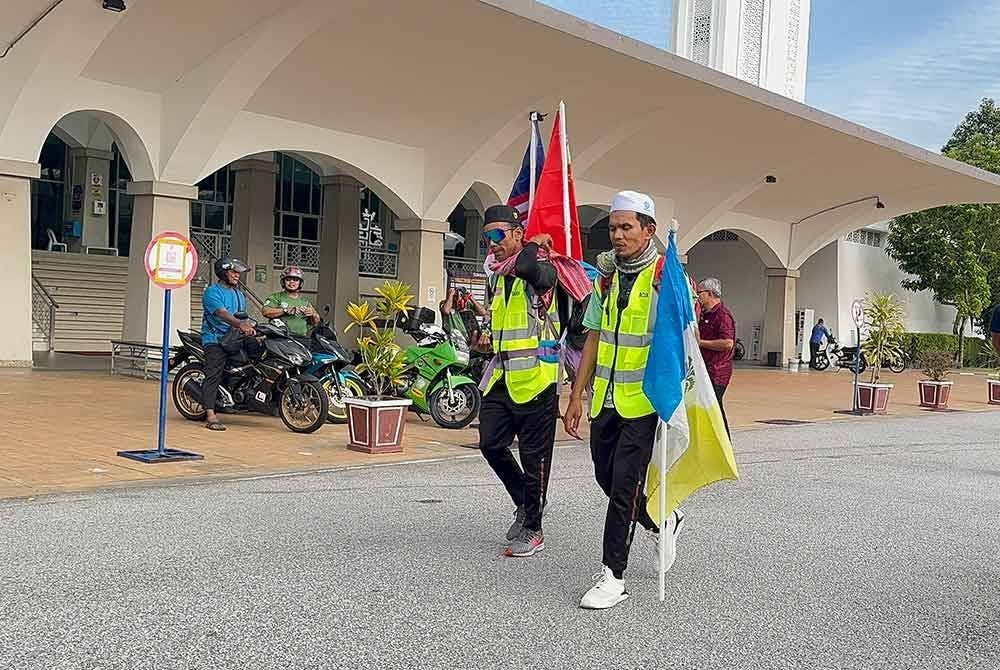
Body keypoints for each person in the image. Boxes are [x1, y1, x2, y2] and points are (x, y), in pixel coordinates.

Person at [563, 190, 684, 610]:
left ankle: (613, 576)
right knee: (605, 476)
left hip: (644, 402)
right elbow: (593, 336)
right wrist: (576, 394)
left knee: (622, 487)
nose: (617, 234)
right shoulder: (607, 276)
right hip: (607, 400)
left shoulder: (665, 277)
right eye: (613, 227)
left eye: (626, 227)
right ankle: (659, 521)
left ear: (648, 230)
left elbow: (679, 341)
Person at [478, 204, 570, 558]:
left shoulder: (543, 270)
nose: (492, 244)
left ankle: (533, 528)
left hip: (537, 380)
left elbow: (530, 267)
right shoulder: (497, 276)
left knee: (536, 460)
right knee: (490, 443)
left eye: (499, 235)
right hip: (502, 378)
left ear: (518, 234)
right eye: (487, 237)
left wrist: (532, 243)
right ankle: (526, 503)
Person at [201, 257, 254, 431]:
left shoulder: (239, 294)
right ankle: (210, 414)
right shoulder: (212, 292)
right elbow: (222, 314)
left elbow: (243, 316)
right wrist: (241, 325)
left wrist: (253, 329)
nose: (237, 276)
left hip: (235, 338)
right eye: (233, 272)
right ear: (223, 273)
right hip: (215, 339)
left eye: (238, 273)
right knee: (213, 374)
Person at [696, 278, 735, 437]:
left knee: (714, 407)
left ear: (710, 294)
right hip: (705, 369)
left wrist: (701, 343)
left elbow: (727, 343)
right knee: (708, 407)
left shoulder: (722, 315)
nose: (698, 296)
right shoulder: (706, 314)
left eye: (700, 293)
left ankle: (723, 441)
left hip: (717, 372)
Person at [261, 266, 320, 337]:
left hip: (301, 339)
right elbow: (265, 312)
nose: (291, 282)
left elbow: (315, 322)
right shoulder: (276, 297)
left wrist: (313, 314)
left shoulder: (305, 301)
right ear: (283, 282)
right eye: (288, 279)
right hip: (279, 338)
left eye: (295, 280)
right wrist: (285, 310)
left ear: (300, 283)